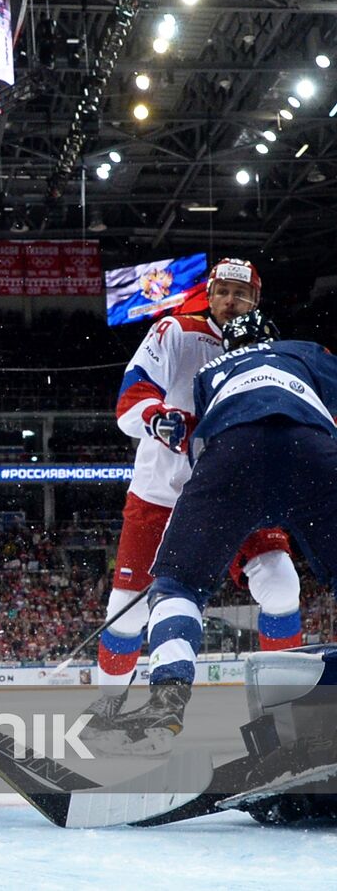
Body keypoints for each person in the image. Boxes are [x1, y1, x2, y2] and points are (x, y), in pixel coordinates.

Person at [98, 311, 337, 754]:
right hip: (308, 454)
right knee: (285, 584)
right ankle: (291, 715)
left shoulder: (210, 371)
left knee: (179, 588)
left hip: (229, 462)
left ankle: (166, 700)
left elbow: (205, 435)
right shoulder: (306, 352)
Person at [82, 259, 302, 737]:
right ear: (210, 292)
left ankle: (283, 711)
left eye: (240, 295)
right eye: (222, 291)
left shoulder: (271, 351)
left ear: (255, 302)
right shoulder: (176, 332)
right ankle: (108, 707)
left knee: (282, 584)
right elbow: (129, 403)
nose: (230, 301)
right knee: (128, 607)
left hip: (239, 493)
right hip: (164, 496)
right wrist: (159, 419)